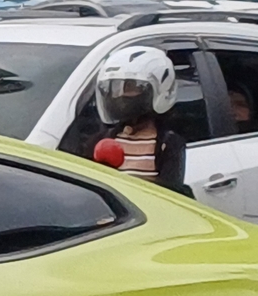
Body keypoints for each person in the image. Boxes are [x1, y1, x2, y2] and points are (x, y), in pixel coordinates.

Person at [62, 45, 191, 194]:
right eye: (114, 88)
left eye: (130, 87)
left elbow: (170, 194)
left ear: (159, 90)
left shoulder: (168, 143)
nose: (119, 96)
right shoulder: (100, 140)